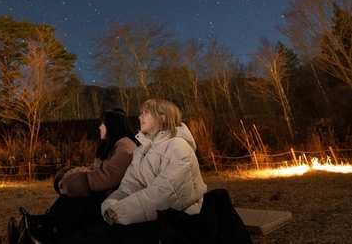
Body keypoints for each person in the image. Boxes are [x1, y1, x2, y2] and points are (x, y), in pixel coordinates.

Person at [43, 99, 251, 244]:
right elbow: (128, 186)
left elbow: (166, 193)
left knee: (106, 237)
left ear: (162, 117)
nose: (140, 116)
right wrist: (112, 204)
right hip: (144, 214)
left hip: (177, 219)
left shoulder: (178, 147)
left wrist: (121, 210)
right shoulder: (143, 151)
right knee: (97, 232)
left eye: (145, 112)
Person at [8, 108, 141, 244]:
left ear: (113, 125)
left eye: (103, 123)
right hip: (103, 198)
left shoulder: (126, 146)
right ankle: (41, 225)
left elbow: (108, 176)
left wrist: (77, 182)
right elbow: (92, 169)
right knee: (77, 193)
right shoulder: (112, 146)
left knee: (81, 195)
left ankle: (44, 227)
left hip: (110, 202)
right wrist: (68, 177)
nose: (99, 127)